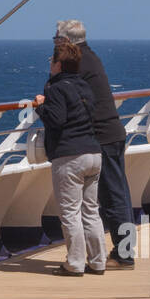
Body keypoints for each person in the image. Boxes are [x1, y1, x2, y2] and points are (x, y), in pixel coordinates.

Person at [54, 19, 135, 267]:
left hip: (102, 137)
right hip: (112, 132)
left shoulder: (77, 63)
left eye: (57, 39)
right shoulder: (91, 57)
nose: (55, 44)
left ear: (66, 41)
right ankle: (123, 251)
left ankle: (124, 255)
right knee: (119, 195)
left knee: (113, 198)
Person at [33, 39, 107, 276]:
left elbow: (56, 119)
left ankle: (74, 264)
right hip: (94, 154)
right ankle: (98, 261)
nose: (49, 65)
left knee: (70, 212)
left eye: (51, 60)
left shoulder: (56, 88)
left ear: (58, 65)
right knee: (91, 211)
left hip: (70, 156)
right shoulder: (84, 86)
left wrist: (39, 107)